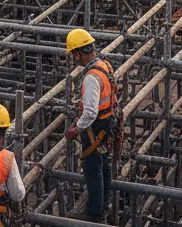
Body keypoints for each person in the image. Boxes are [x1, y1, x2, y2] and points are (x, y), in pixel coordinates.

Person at [65, 28, 118, 223]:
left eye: (73, 55)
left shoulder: (91, 77)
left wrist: (75, 128)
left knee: (93, 169)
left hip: (95, 128)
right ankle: (103, 205)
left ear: (78, 53)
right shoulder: (105, 66)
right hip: (107, 124)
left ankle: (94, 212)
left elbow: (89, 112)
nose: (74, 60)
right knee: (104, 166)